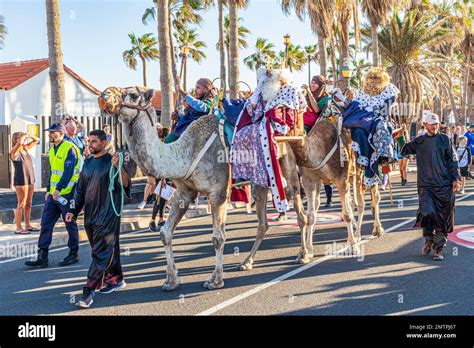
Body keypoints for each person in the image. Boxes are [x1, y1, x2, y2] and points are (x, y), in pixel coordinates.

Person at [66, 129, 131, 308]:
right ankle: (116, 279)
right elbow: (80, 190)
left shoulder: (112, 161)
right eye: (89, 141)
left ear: (104, 143)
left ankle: (88, 291)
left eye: (94, 141)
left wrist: (119, 167)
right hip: (90, 216)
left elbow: (125, 183)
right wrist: (73, 209)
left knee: (100, 253)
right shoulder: (87, 163)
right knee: (106, 249)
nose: (90, 144)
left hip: (108, 215)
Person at [401, 112, 462, 261]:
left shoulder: (445, 139)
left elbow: (453, 161)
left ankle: (438, 248)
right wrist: (401, 135)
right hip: (426, 187)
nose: (434, 127)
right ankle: (429, 239)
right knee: (427, 213)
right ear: (425, 125)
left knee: (443, 217)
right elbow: (404, 150)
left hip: (444, 186)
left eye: (436, 124)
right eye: (431, 124)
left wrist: (456, 179)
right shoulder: (419, 141)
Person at [25, 123, 81, 268]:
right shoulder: (52, 150)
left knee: (70, 224)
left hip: (67, 194)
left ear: (61, 133)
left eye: (52, 132)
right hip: (54, 195)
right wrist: (49, 190)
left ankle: (73, 254)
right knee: (45, 224)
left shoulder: (70, 149)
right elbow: (53, 172)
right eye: (49, 132)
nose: (49, 135)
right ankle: (42, 257)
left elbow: (68, 172)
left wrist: (58, 189)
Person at [336, 67, 399, 186]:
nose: (373, 80)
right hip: (363, 119)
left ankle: (384, 165)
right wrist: (342, 98)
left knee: (381, 128)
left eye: (376, 78)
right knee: (358, 131)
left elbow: (388, 106)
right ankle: (362, 161)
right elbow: (354, 105)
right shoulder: (363, 91)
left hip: (379, 118)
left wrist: (376, 110)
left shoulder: (388, 89)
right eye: (371, 78)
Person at [165, 78, 215, 143]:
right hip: (181, 131)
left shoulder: (209, 102)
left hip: (188, 135)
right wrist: (178, 118)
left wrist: (181, 91)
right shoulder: (199, 101)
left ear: (206, 89)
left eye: (198, 87)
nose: (195, 90)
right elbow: (189, 118)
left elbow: (199, 106)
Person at [10, 132, 40, 234]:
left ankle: (27, 225)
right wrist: (22, 138)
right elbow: (19, 144)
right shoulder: (14, 152)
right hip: (21, 180)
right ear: (16, 140)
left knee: (28, 203)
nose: (22, 140)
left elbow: (37, 140)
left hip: (29, 178)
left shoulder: (25, 149)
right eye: (19, 138)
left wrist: (29, 135)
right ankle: (18, 227)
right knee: (21, 204)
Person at [149, 126, 171, 232]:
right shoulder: (160, 145)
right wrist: (163, 177)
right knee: (158, 199)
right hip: (161, 175)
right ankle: (152, 220)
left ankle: (161, 219)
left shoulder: (162, 144)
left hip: (165, 175)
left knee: (163, 198)